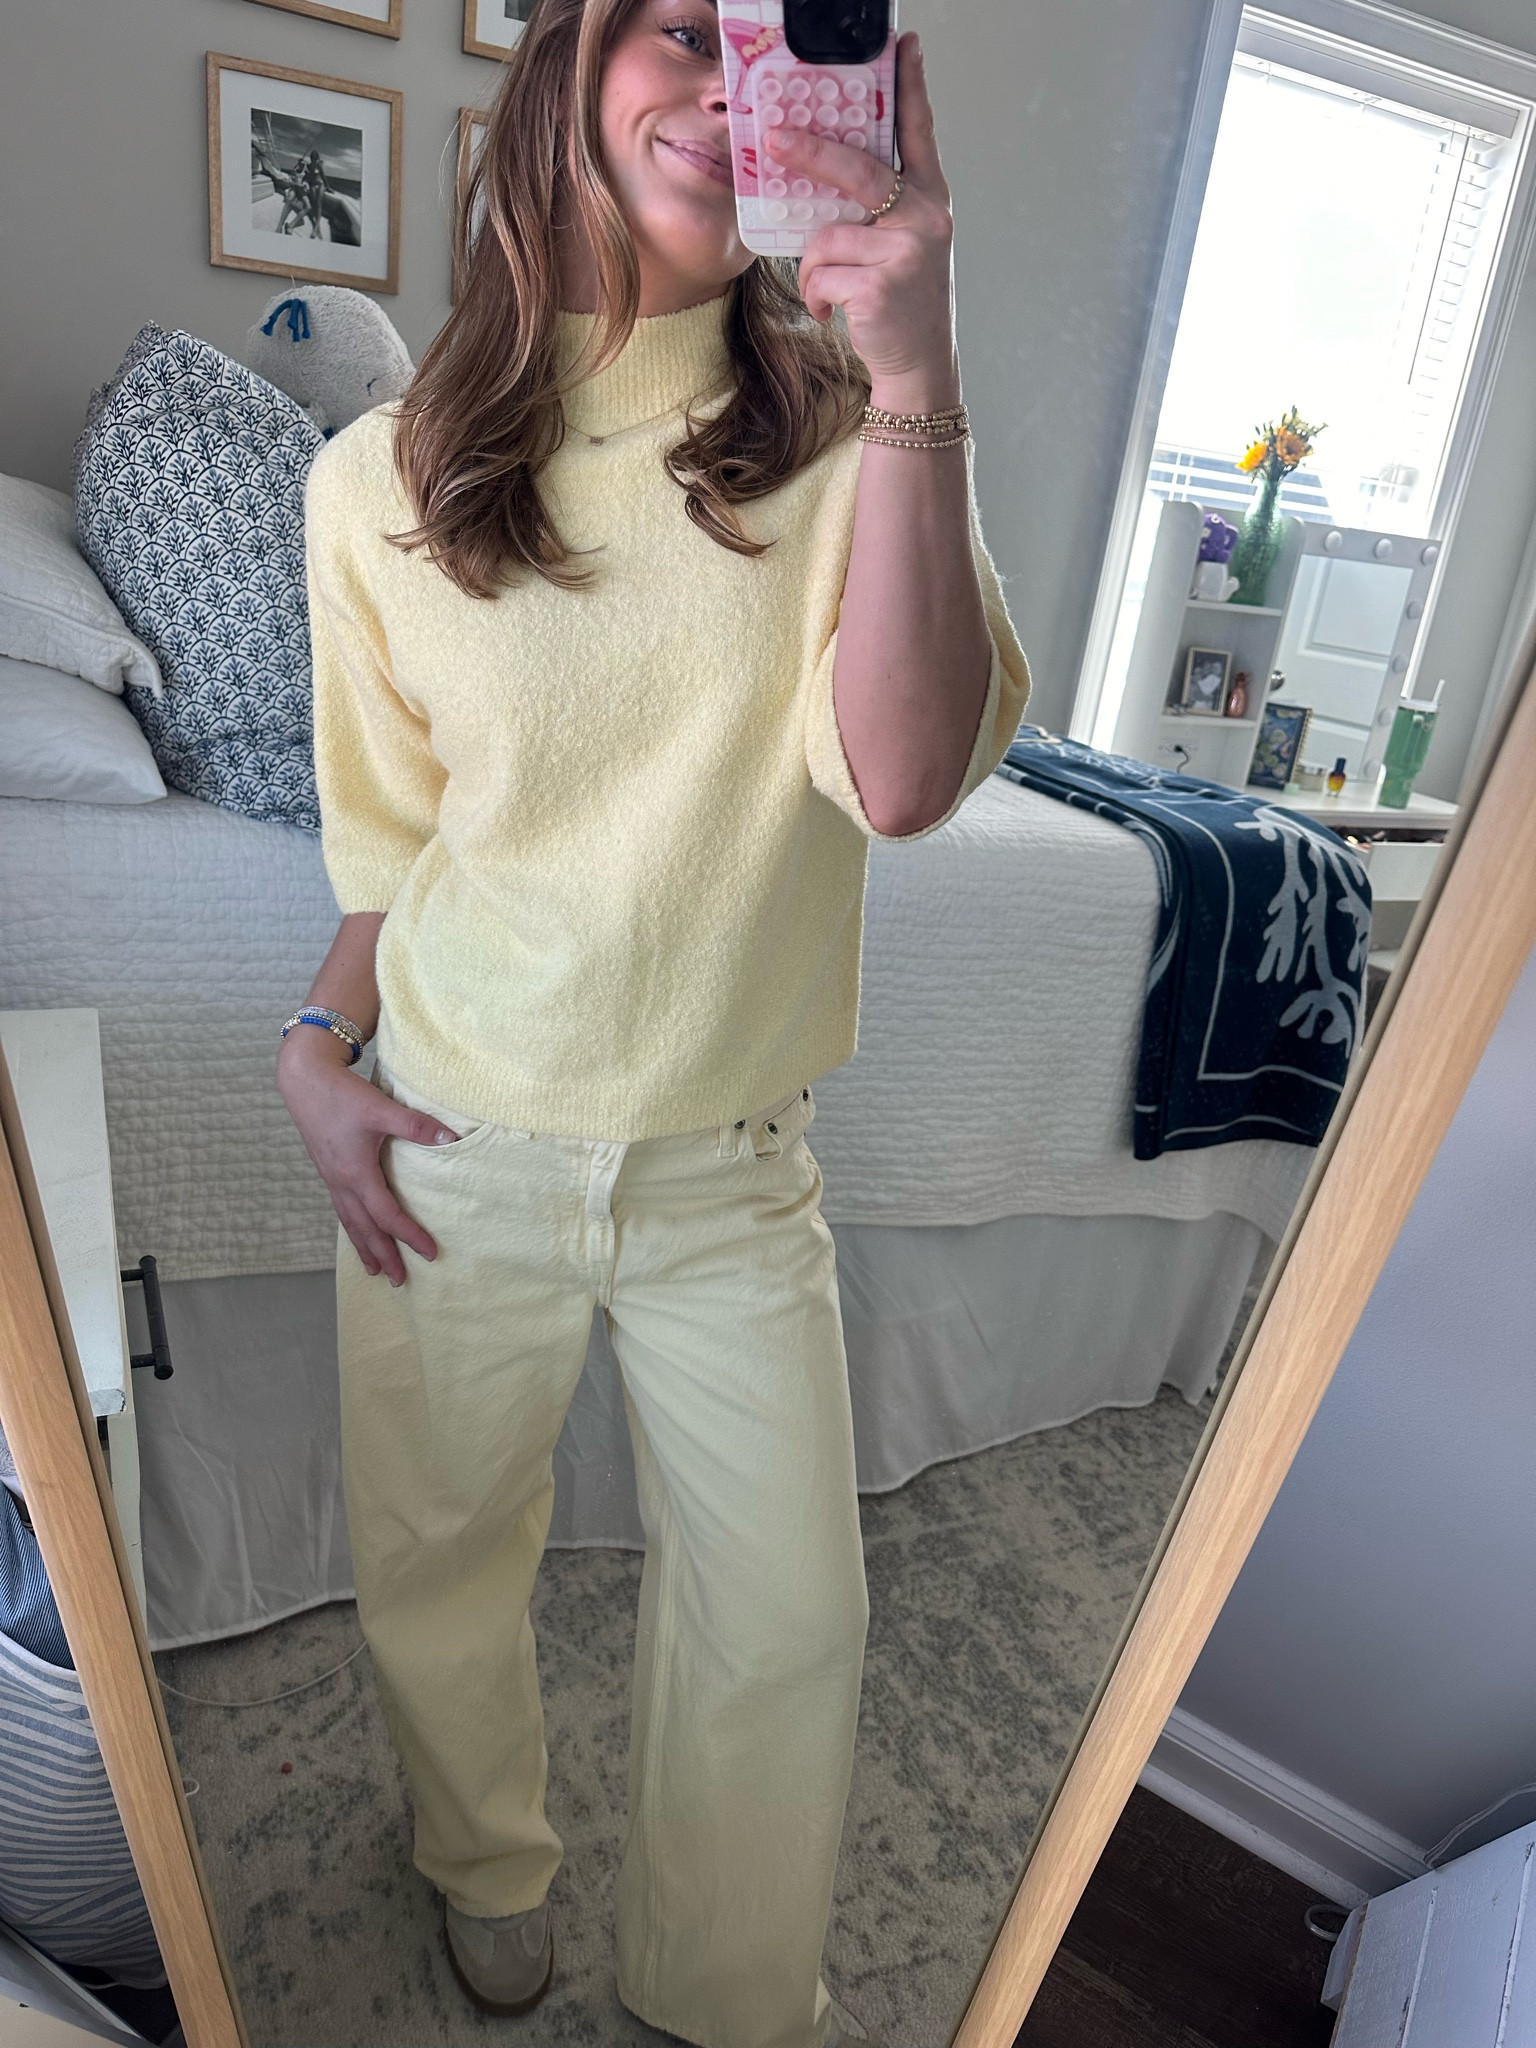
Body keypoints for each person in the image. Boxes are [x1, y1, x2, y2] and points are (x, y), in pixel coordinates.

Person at [279, 0, 1030, 2041]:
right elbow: (390, 846)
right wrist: (312, 1052)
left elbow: (902, 781)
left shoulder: (855, 439)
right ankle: (481, 1864)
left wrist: (920, 369)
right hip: (452, 1139)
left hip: (730, 1172)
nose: (724, 80)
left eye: (771, 41)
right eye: (682, 28)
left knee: (791, 1620)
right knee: (438, 1567)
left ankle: (721, 1995)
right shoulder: (371, 484)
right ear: (570, 69)